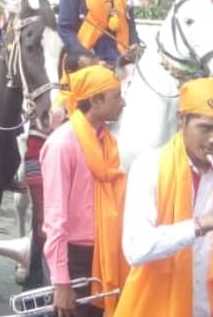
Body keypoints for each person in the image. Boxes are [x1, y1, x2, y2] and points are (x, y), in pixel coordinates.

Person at [116, 78, 213, 317]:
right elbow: (135, 249)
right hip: (155, 307)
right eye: (205, 127)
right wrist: (202, 223)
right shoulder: (149, 166)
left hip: (210, 307)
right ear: (182, 120)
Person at [40, 65, 128, 317]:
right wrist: (61, 282)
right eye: (117, 96)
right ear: (96, 100)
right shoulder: (62, 144)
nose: (123, 102)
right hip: (74, 258)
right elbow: (55, 219)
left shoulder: (107, 142)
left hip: (104, 251)